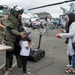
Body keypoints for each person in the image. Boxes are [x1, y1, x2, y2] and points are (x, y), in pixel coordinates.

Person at [3, 7, 25, 71]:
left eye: (21, 14)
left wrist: (23, 32)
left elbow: (20, 27)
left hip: (17, 38)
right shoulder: (8, 19)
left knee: (18, 51)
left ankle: (20, 63)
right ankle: (8, 66)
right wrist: (19, 34)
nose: (20, 15)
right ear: (15, 13)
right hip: (10, 39)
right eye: (19, 14)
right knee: (10, 53)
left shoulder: (18, 20)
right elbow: (10, 29)